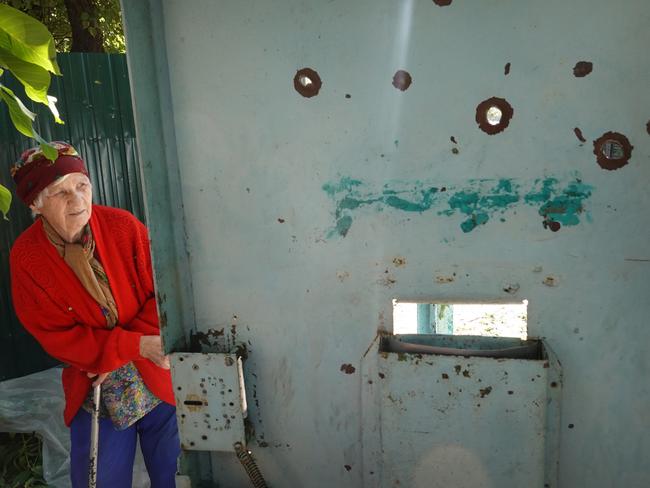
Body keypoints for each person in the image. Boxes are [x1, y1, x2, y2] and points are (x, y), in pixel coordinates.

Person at [9, 142, 180, 487]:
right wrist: (125, 349)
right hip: (96, 382)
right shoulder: (27, 257)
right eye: (60, 192)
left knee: (178, 473)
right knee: (99, 480)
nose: (77, 200)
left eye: (82, 185)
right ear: (35, 204)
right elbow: (54, 334)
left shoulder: (122, 227)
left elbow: (163, 293)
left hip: (156, 371)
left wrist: (130, 348)